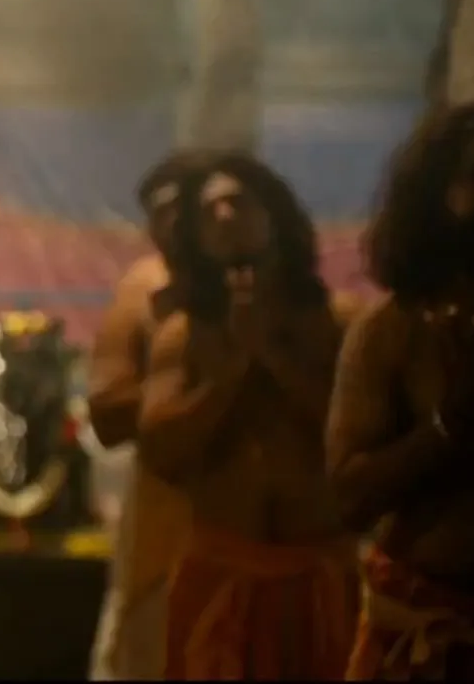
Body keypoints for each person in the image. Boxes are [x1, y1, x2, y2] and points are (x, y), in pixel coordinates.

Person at [328, 103, 474, 680]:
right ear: (436, 196)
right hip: (421, 640)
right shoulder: (392, 330)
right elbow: (348, 499)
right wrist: (450, 430)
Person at [136, 151, 361, 680]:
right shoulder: (183, 335)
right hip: (220, 577)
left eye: (238, 202)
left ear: (274, 214)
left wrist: (273, 359)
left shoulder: (339, 320)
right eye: (207, 212)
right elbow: (159, 450)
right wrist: (232, 372)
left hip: (316, 576)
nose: (224, 217)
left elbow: (358, 438)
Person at [85, 150, 218, 680]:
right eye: (158, 213)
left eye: (182, 210)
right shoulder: (145, 287)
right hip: (165, 516)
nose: (169, 227)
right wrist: (193, 391)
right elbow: (107, 412)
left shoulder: (266, 288)